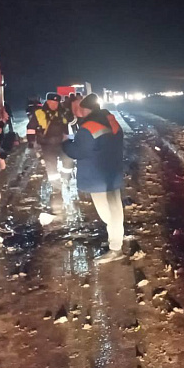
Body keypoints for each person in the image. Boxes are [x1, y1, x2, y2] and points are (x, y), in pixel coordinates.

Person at [63, 93, 125, 264]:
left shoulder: (89, 126)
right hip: (113, 173)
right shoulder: (111, 120)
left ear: (85, 109)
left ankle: (115, 248)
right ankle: (115, 239)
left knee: (109, 214)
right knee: (114, 209)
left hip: (97, 177)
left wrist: (65, 142)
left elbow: (78, 152)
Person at [31, 92, 74, 184]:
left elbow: (73, 121)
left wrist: (69, 113)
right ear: (47, 102)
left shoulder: (62, 113)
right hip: (47, 144)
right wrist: (31, 141)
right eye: (52, 102)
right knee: (51, 166)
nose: (54, 105)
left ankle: (66, 178)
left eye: (56, 103)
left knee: (69, 159)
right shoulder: (39, 113)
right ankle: (56, 188)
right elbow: (30, 128)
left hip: (62, 142)